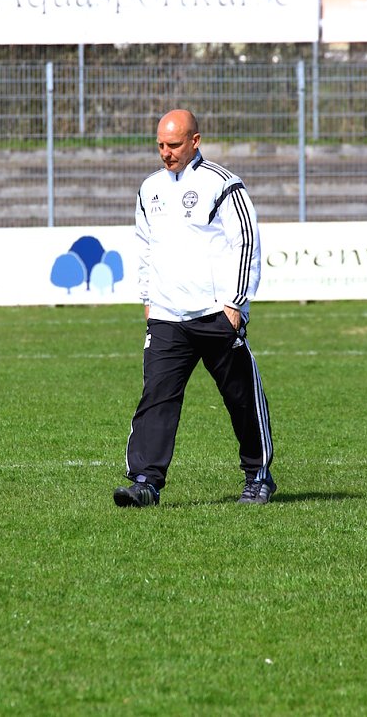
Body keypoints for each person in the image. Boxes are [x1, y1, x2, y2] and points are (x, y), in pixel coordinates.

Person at [113, 108, 275, 508]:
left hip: (216, 313)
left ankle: (258, 475)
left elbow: (246, 242)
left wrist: (235, 303)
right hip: (167, 316)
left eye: (173, 145)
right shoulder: (149, 188)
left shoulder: (223, 184)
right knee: (156, 397)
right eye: (160, 145)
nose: (165, 153)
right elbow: (145, 247)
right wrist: (148, 300)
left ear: (195, 141)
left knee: (240, 397)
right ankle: (146, 482)